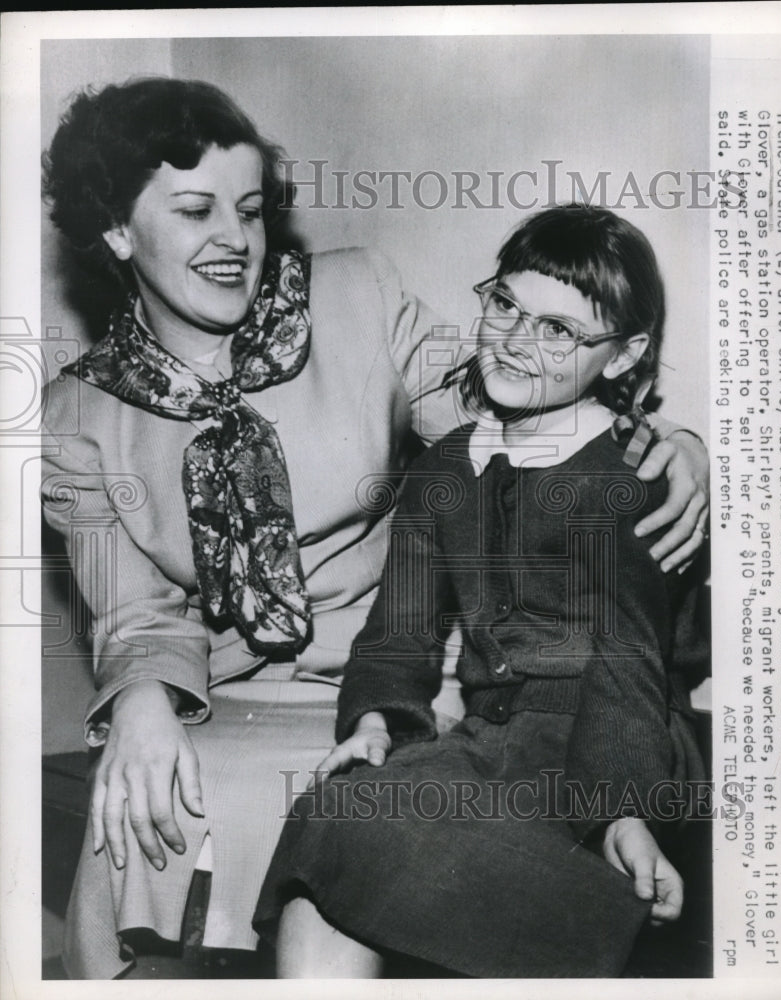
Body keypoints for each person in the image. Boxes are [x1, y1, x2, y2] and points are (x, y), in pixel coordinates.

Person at [40, 78, 709, 978]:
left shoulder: (359, 293)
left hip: (405, 680)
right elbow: (134, 616)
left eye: (250, 210)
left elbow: (511, 410)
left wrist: (670, 443)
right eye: (196, 211)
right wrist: (140, 706)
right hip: (222, 694)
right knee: (135, 815)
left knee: (354, 829)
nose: (235, 239)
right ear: (118, 230)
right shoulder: (72, 417)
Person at [253, 205, 708, 979]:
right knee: (337, 808)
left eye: (557, 330)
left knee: (417, 841)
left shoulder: (629, 475)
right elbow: (398, 631)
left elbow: (627, 659)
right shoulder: (442, 470)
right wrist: (373, 721)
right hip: (490, 738)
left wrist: (621, 811)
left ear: (624, 355)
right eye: (505, 305)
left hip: (616, 745)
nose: (516, 340)